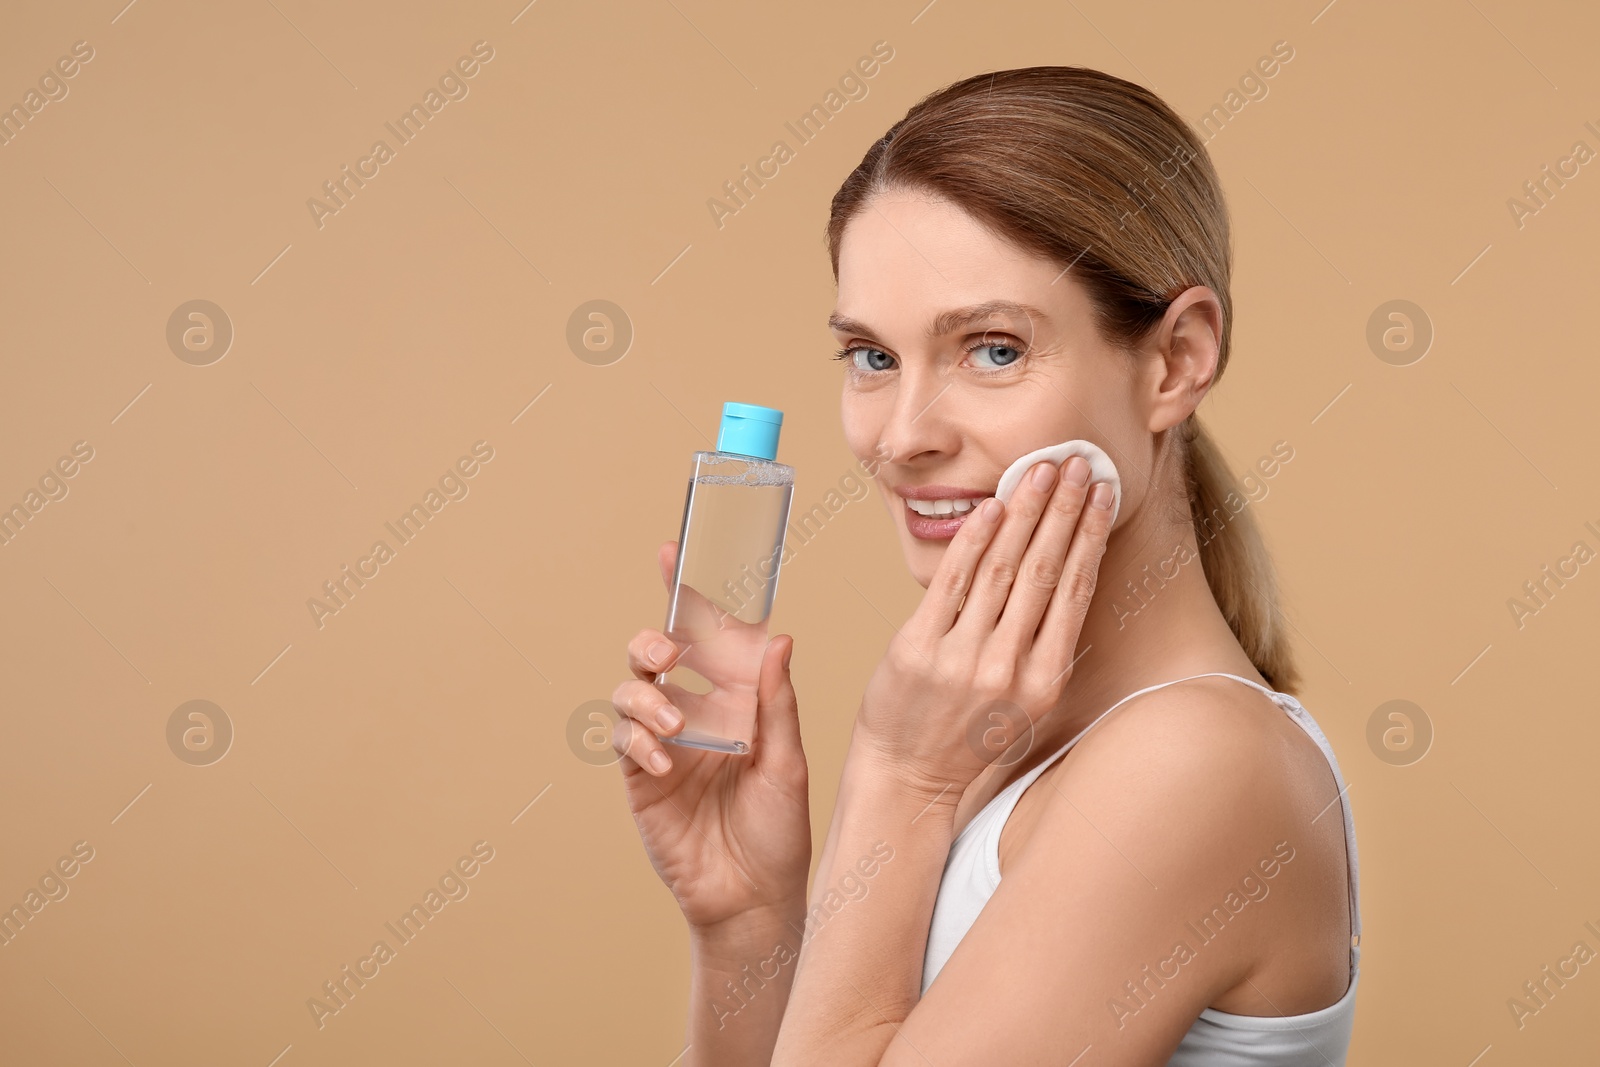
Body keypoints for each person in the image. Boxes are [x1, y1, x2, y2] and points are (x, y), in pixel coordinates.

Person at [610, 65, 1360, 1066]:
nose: (904, 436)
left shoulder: (1195, 763)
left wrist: (895, 771)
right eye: (873, 357)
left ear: (1175, 360)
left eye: (994, 349)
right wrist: (746, 917)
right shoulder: (1003, 737)